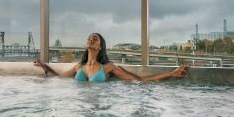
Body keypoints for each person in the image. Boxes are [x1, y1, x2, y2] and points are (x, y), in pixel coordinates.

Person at [34, 33, 188, 82]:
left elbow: (137, 81)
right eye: (89, 38)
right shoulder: (78, 67)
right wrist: (45, 67)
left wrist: (170, 73)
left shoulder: (108, 67)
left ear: (100, 46)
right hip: (79, 107)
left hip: (100, 110)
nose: (91, 39)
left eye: (95, 39)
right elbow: (58, 78)